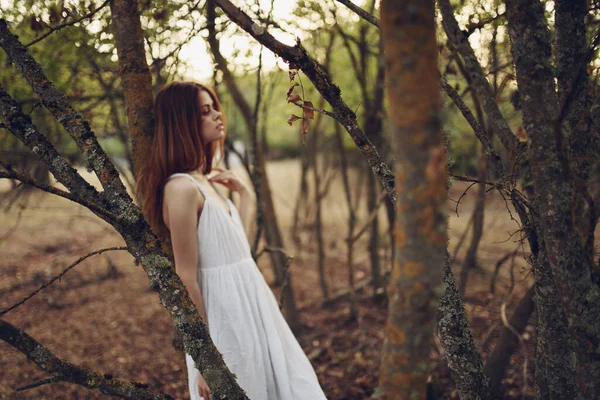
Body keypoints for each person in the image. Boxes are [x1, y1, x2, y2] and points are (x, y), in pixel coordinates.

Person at [136, 81, 327, 400]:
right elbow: (186, 275)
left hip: (253, 305)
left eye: (215, 108)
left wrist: (245, 195)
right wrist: (204, 359)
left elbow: (239, 252)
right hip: (225, 319)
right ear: (183, 122)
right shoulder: (180, 189)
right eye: (204, 112)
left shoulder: (205, 180)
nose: (216, 116)